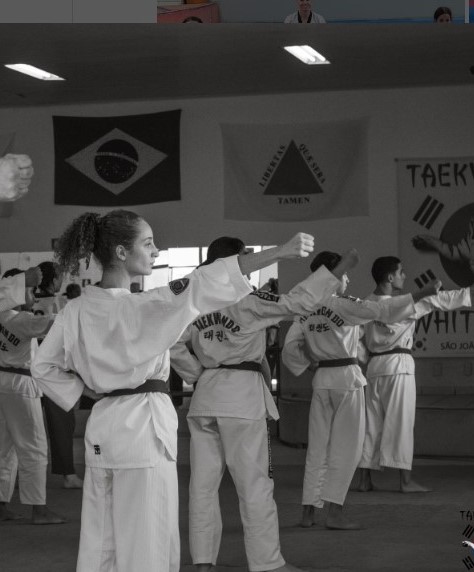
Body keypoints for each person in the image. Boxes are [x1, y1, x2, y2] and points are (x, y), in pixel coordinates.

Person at [31, 209, 316, 572]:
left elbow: (42, 366)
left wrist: (86, 393)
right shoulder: (146, 305)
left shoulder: (75, 310)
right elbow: (204, 282)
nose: (156, 251)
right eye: (148, 243)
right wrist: (277, 252)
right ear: (121, 252)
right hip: (143, 426)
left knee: (101, 536)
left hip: (102, 424)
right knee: (148, 537)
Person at [170, 237, 359, 572]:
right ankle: (268, 564)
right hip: (241, 399)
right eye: (246, 258)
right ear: (235, 261)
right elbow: (297, 302)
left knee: (202, 486)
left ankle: (203, 562)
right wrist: (335, 272)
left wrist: (197, 373)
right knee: (254, 484)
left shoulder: (194, 301)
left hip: (206, 397)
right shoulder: (246, 301)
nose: (251, 264)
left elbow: (173, 344)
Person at [281, 251, 441, 530]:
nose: (347, 278)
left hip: (321, 380)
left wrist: (309, 364)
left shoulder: (303, 308)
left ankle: (308, 512)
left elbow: (289, 350)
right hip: (346, 380)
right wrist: (419, 294)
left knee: (317, 449)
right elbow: (383, 311)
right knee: (348, 449)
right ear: (331, 277)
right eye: (343, 274)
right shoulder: (344, 304)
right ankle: (334, 513)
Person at [356, 257, 472, 493]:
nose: (404, 276)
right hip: (399, 366)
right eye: (401, 272)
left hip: (375, 368)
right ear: (390, 277)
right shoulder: (405, 304)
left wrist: (363, 360)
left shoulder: (365, 304)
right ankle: (405, 482)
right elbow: (443, 300)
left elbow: (357, 340)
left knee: (371, 424)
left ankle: (364, 479)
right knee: (401, 423)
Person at [0, 269, 65, 524]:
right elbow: (55, 323)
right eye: (28, 290)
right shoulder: (20, 319)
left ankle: (2, 504)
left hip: (2, 381)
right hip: (20, 385)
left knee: (4, 449)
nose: (33, 295)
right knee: (34, 447)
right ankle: (39, 510)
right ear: (14, 293)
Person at [34, 261, 83, 490]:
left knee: (21, 429)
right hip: (51, 370)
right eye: (60, 277)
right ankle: (68, 475)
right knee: (62, 424)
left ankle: (12, 476)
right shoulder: (58, 304)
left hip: (25, 370)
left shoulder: (25, 301)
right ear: (54, 280)